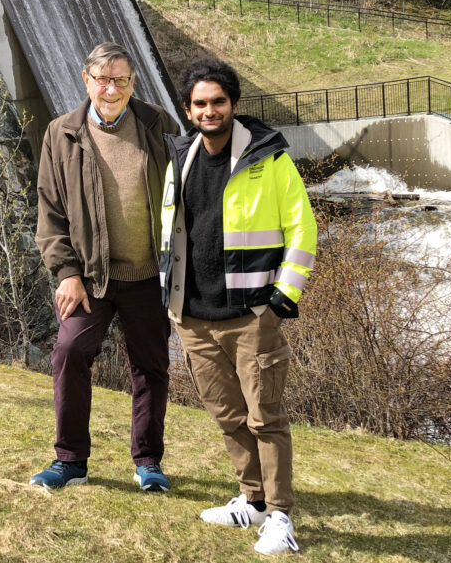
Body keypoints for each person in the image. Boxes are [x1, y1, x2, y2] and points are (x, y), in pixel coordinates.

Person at [159, 59, 316, 555]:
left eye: (218, 102)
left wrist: (280, 299)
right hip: (193, 317)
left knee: (265, 417)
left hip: (251, 316)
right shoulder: (179, 156)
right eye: (200, 104)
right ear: (188, 110)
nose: (210, 111)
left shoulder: (269, 159)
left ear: (234, 105)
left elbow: (302, 231)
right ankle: (250, 498)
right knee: (227, 415)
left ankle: (280, 516)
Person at [31, 42, 182, 492]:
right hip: (89, 279)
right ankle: (70, 461)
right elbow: (50, 212)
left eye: (120, 79)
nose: (111, 88)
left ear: (133, 82)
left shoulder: (159, 125)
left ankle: (148, 463)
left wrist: (184, 273)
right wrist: (66, 274)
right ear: (86, 81)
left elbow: (187, 198)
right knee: (69, 353)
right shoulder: (61, 133)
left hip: (148, 279)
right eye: (102, 78)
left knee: (151, 368)